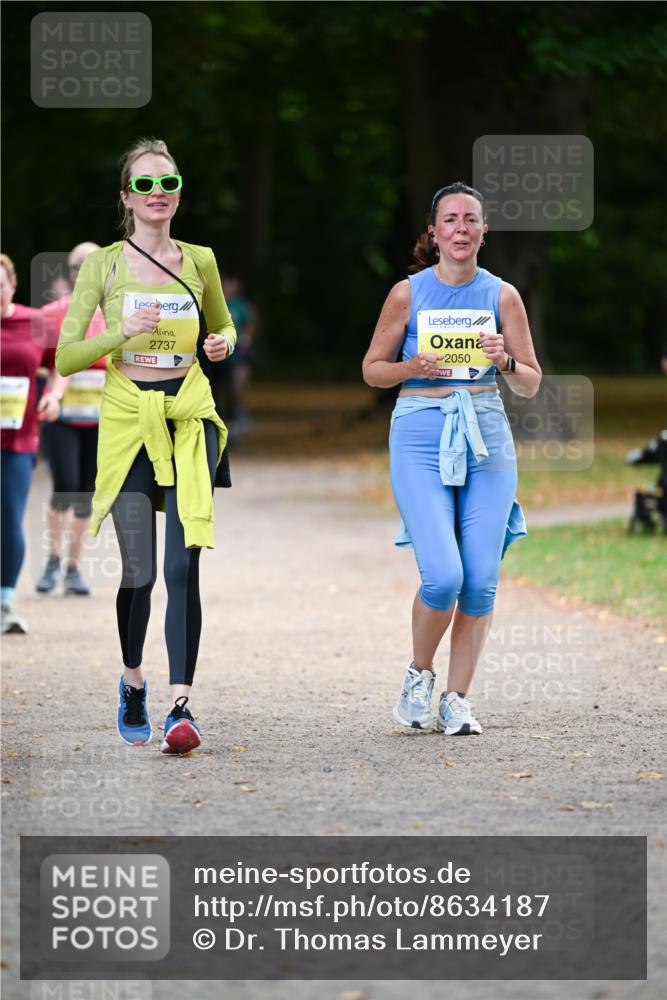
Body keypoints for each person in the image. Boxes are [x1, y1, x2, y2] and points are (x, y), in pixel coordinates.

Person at [56, 137, 236, 754]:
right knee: (140, 571)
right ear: (127, 196)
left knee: (186, 567)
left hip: (187, 417)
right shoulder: (101, 266)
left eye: (169, 183)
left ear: (179, 191)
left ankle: (181, 705)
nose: (159, 194)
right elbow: (65, 356)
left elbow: (224, 324)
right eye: (146, 185)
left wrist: (222, 345)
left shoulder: (201, 259)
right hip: (129, 421)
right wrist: (116, 334)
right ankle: (134, 681)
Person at [362, 182, 541, 736]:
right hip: (418, 432)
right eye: (451, 220)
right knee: (443, 576)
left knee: (481, 580)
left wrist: (505, 361)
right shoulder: (407, 294)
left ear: (484, 232)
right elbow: (372, 369)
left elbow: (532, 382)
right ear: (434, 231)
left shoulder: (502, 295)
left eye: (471, 220)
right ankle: (419, 674)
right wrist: (411, 365)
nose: (461, 229)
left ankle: (457, 699)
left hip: (486, 433)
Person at [37, 242, 107, 596]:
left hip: (101, 420)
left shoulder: (115, 314)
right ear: (76, 273)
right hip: (62, 417)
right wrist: (49, 390)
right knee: (63, 489)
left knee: (85, 494)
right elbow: (34, 359)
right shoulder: (51, 314)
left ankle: (74, 568)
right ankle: (52, 560)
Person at [1, 254, 62, 634]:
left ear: (12, 283)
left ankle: (6, 601)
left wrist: (54, 395)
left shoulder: (35, 322)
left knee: (9, 517)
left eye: (0, 283)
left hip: (18, 438)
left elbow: (59, 363)